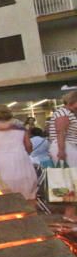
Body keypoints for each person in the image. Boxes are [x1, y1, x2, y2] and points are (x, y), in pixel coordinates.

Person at [48, 91, 77, 222]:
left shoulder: (64, 113)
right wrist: (61, 150)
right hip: (66, 147)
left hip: (66, 147)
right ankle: (69, 213)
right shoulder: (64, 114)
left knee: (69, 180)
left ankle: (70, 212)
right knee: (71, 180)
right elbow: (61, 133)